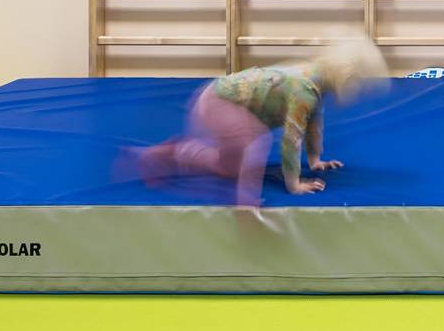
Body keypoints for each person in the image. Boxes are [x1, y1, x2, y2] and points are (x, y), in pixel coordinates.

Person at [130, 37, 387, 208]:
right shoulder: (306, 90)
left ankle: (164, 153)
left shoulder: (316, 80)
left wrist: (314, 160)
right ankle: (246, 204)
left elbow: (313, 119)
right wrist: (294, 184)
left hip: (215, 98)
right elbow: (291, 139)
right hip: (219, 102)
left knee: (228, 168)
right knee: (257, 139)